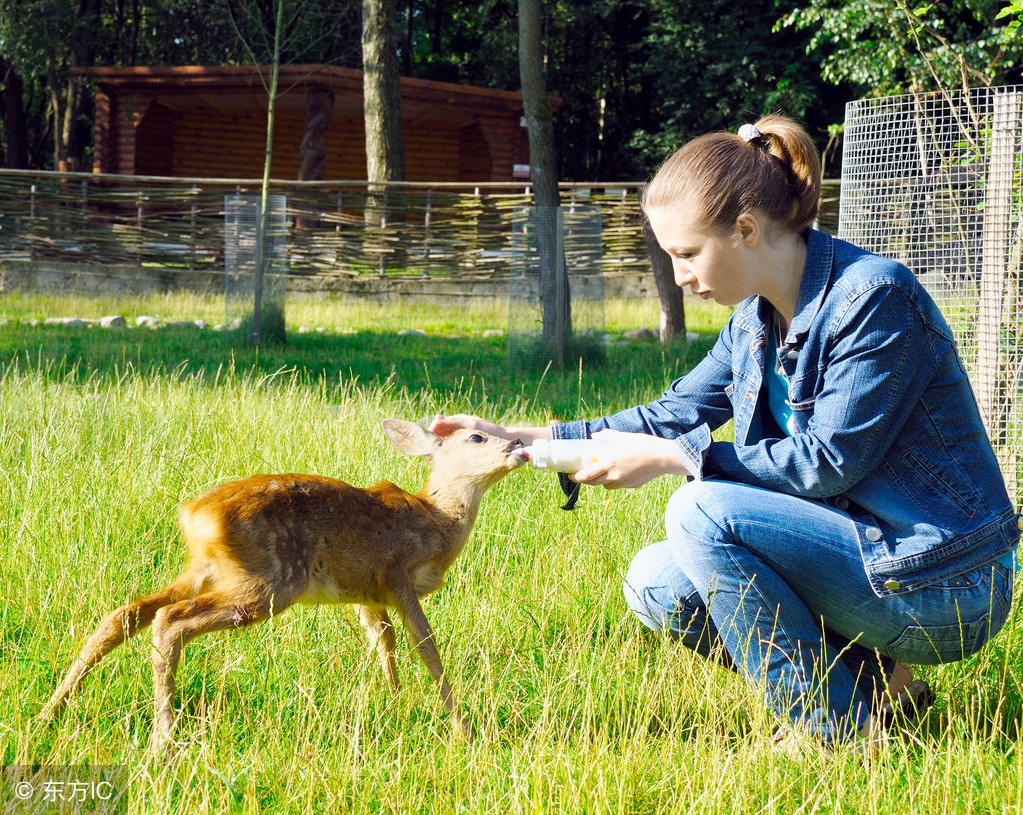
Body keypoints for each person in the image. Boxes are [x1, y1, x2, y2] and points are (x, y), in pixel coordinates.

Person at [429, 114, 1020, 753]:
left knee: (700, 511)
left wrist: (678, 460)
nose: (679, 276)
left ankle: (832, 734)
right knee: (655, 582)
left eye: (686, 254)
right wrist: (516, 434)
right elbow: (672, 414)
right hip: (863, 561)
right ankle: (878, 687)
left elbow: (827, 463)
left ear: (744, 230)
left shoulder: (874, 298)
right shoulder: (753, 323)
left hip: (942, 580)